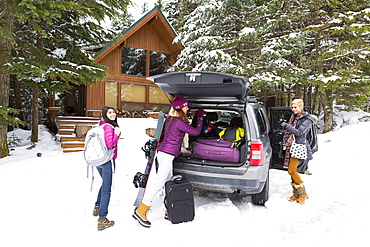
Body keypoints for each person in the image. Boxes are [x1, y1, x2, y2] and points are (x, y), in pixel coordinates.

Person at [133, 95, 204, 228]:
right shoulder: (178, 121)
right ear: (180, 107)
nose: (187, 107)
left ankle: (168, 208)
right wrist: (200, 117)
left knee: (168, 181)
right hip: (166, 155)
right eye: (186, 105)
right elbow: (196, 132)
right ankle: (141, 210)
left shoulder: (171, 119)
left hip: (167, 154)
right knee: (158, 182)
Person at [281, 99, 317, 204]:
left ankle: (303, 193)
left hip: (298, 146)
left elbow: (300, 132)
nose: (293, 109)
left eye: (295, 107)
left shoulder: (307, 119)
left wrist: (286, 125)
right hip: (291, 145)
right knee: (292, 170)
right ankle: (296, 194)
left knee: (291, 170)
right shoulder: (294, 117)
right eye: (292, 107)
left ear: (301, 106)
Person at [93, 106, 121, 231]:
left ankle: (97, 206)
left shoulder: (101, 125)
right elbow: (110, 144)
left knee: (104, 183)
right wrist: (117, 134)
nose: (113, 114)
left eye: (114, 112)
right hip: (107, 160)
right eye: (109, 112)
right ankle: (102, 219)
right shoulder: (109, 127)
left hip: (99, 160)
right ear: (104, 114)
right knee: (106, 190)